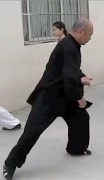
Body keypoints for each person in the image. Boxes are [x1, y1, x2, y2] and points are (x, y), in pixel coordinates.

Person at [3, 18, 94, 180]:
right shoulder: (68, 46)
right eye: (90, 35)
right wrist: (79, 96)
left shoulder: (72, 45)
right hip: (49, 97)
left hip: (64, 94)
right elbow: (68, 75)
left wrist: (81, 78)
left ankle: (76, 148)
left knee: (80, 119)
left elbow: (72, 70)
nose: (90, 38)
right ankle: (10, 163)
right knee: (32, 130)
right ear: (81, 32)